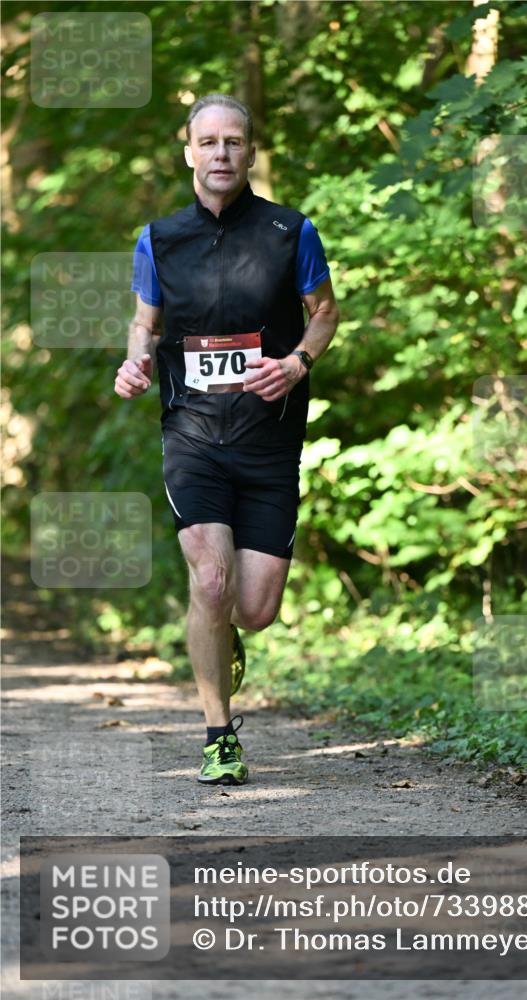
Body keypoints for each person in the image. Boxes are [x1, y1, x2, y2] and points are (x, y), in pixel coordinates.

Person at [114, 94, 339, 786]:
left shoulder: (288, 230)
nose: (220, 154)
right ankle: (219, 734)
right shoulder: (159, 238)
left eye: (233, 142)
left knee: (253, 607)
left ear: (248, 152)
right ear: (189, 152)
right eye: (207, 142)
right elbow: (144, 323)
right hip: (192, 434)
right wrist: (135, 359)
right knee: (210, 582)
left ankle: (224, 633)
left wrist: (297, 362)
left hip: (268, 440)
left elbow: (324, 313)